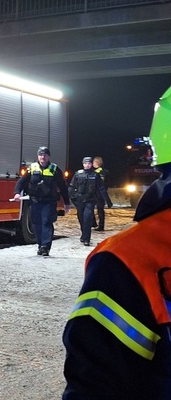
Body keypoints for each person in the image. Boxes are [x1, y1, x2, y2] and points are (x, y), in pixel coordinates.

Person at [62, 84, 171, 399]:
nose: (89, 166)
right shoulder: (125, 261)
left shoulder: (124, 261)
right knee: (82, 225)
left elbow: (94, 383)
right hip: (83, 205)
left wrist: (104, 206)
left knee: (89, 223)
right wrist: (72, 202)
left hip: (94, 206)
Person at [13, 146, 71, 256]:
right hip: (35, 201)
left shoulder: (54, 169)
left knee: (46, 222)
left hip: (49, 202)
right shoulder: (32, 168)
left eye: (45, 155)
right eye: (40, 155)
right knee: (36, 224)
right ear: (38, 156)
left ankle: (45, 246)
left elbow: (63, 187)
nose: (43, 157)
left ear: (48, 157)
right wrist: (17, 192)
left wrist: (66, 202)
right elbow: (22, 181)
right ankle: (40, 245)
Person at [68, 157, 108, 246]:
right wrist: (69, 198)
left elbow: (101, 188)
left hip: (90, 200)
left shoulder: (95, 175)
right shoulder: (78, 174)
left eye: (89, 163)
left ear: (91, 164)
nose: (87, 165)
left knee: (87, 218)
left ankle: (87, 239)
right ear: (83, 164)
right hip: (79, 200)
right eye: (85, 163)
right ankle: (83, 234)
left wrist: (107, 201)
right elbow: (71, 186)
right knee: (81, 218)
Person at [91, 156, 113, 230]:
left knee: (94, 208)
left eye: (93, 162)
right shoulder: (106, 171)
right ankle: (100, 225)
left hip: (97, 193)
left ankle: (98, 225)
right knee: (100, 209)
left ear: (96, 163)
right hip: (102, 193)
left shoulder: (96, 172)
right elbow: (108, 183)